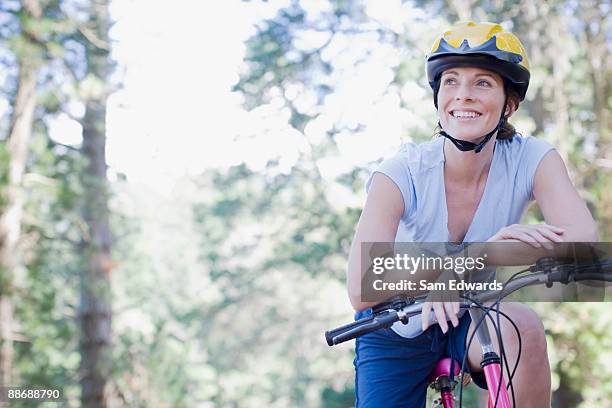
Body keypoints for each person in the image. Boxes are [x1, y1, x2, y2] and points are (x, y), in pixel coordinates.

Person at [346, 21, 598, 408]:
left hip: (469, 314)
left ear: (509, 103)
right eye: (451, 81)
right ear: (438, 97)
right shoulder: (401, 171)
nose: (463, 95)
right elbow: (362, 286)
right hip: (395, 327)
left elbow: (584, 243)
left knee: (524, 326)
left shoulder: (532, 159)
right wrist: (463, 262)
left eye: (482, 83)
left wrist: (476, 260)